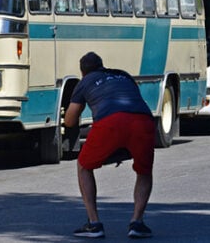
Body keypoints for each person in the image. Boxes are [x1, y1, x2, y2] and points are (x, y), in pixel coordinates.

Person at [64, 52, 155, 239]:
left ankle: (94, 223)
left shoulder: (85, 82)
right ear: (102, 65)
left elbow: (70, 121)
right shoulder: (123, 74)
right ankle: (137, 222)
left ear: (82, 72)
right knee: (144, 171)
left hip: (111, 122)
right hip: (143, 120)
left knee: (84, 166)